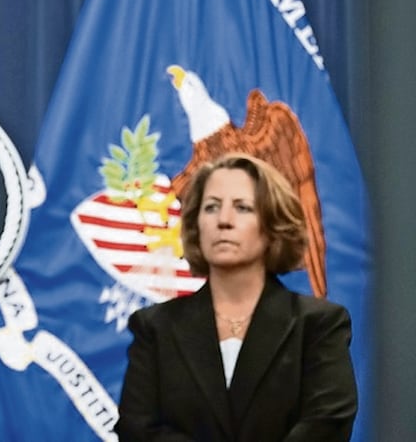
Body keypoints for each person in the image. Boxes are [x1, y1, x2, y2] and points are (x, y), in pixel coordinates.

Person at [115, 152, 356, 441]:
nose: (224, 220)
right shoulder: (155, 327)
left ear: (272, 225)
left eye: (242, 208)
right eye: (212, 207)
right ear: (196, 224)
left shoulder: (319, 325)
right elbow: (138, 430)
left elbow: (326, 423)